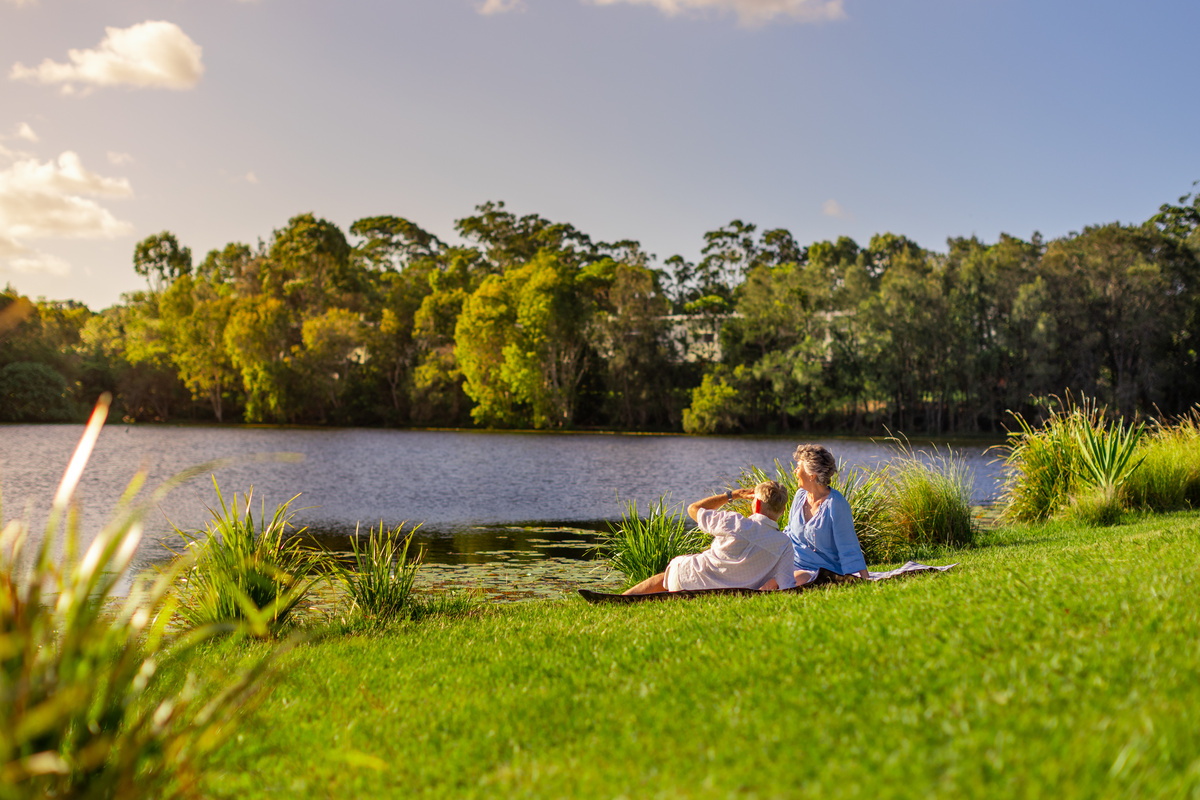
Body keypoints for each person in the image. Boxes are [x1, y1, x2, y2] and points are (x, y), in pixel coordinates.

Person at [622, 481, 797, 595]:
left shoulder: (733, 521)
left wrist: (732, 495)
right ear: (782, 511)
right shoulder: (784, 544)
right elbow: (786, 583)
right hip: (731, 592)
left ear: (756, 504)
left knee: (669, 574)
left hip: (690, 580)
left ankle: (622, 598)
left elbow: (693, 509)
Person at [784, 443, 868, 584]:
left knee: (787, 581)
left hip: (820, 571)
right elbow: (789, 533)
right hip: (791, 563)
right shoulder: (800, 496)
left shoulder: (836, 504)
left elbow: (849, 546)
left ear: (812, 475)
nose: (795, 470)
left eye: (798, 466)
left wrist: (865, 579)